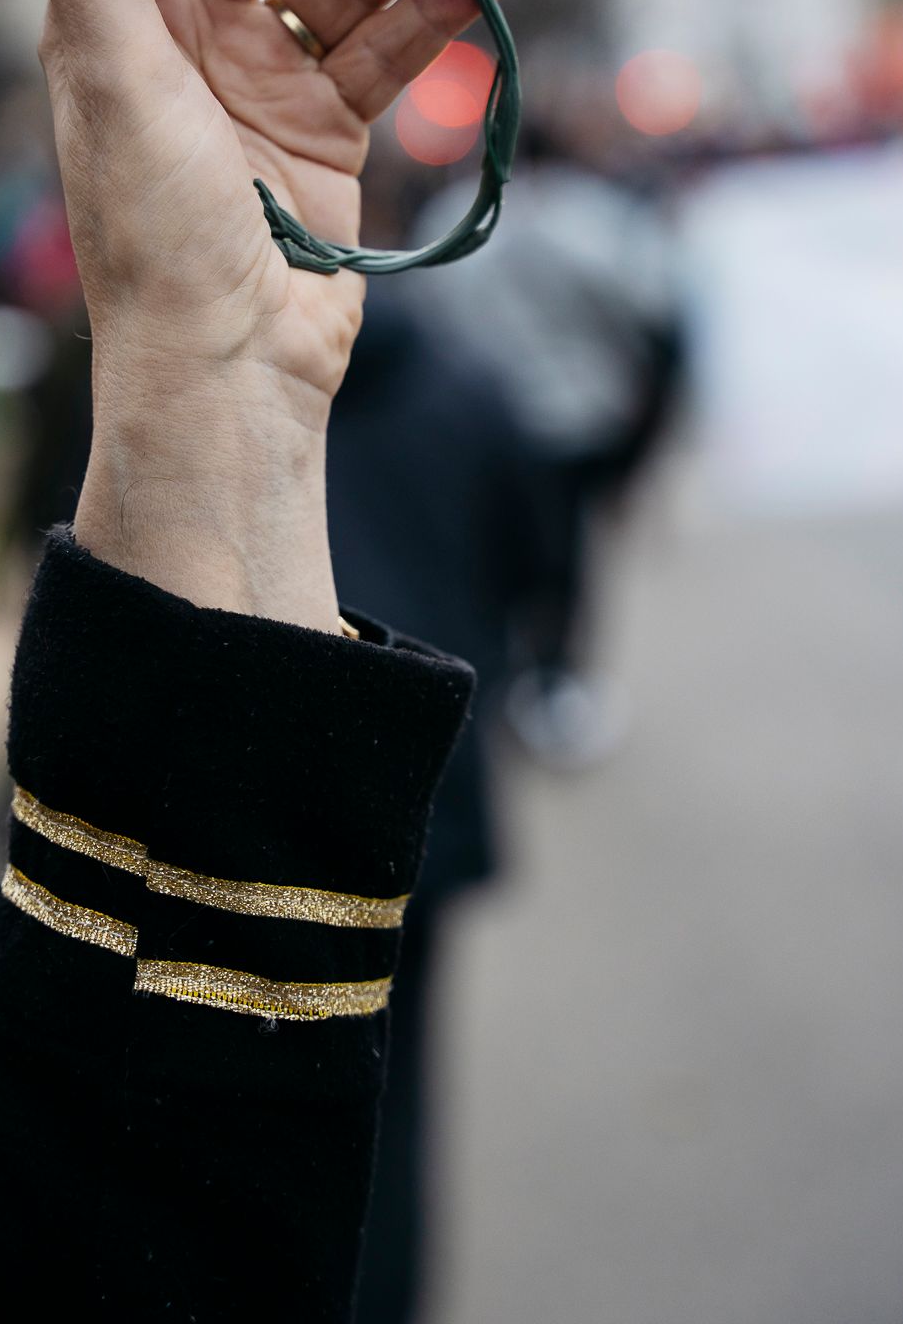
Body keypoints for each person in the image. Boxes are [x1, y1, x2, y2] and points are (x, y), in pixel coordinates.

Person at [0, 0, 514, 1321]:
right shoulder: (469, 383)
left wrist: (217, 376)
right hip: (375, 827)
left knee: (345, 1127)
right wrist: (206, 369)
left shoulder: (454, 386)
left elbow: (104, 1244)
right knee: (365, 1136)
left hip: (347, 832)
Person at [329, 286, 544, 1321]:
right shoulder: (467, 380)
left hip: (267, 791)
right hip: (430, 785)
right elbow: (540, 552)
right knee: (393, 1091)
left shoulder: (227, 390)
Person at [414, 119, 686, 768]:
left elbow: (422, 314)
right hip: (573, 426)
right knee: (564, 559)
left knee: (488, 557)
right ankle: (556, 686)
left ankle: (500, 681)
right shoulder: (595, 219)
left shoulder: (451, 215)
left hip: (476, 428)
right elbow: (653, 315)